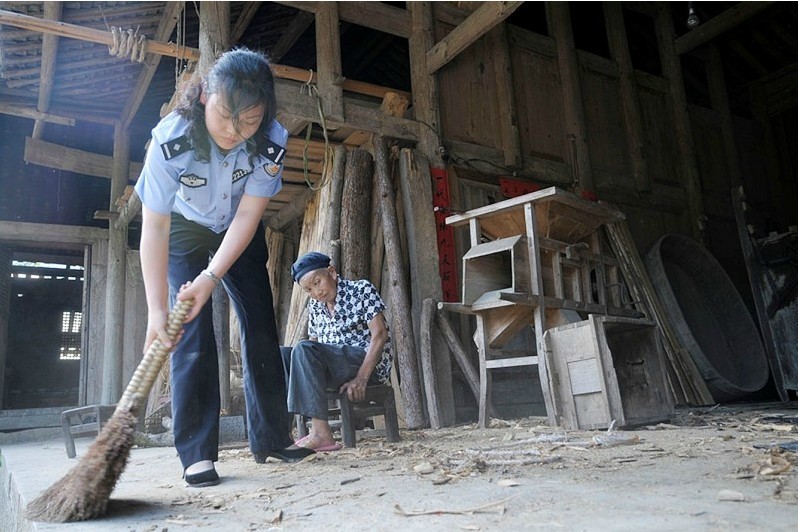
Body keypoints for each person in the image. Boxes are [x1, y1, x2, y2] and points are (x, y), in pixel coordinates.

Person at [135, 47, 312, 488]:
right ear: (203, 99)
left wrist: (212, 276)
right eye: (225, 117)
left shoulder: (271, 139)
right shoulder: (170, 139)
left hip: (236, 226)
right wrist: (158, 310)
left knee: (260, 324)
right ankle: (196, 453)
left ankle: (273, 437)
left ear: (265, 112)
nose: (234, 131)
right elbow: (154, 226)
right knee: (190, 331)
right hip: (184, 227)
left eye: (247, 120)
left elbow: (250, 216)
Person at [281, 251, 393, 451]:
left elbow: (380, 335)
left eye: (317, 282)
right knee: (282, 355)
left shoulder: (361, 289)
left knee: (304, 349)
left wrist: (361, 378)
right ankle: (283, 434)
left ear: (331, 273)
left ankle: (321, 434)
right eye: (309, 289)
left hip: (364, 362)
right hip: (334, 367)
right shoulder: (315, 306)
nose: (316, 292)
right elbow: (314, 345)